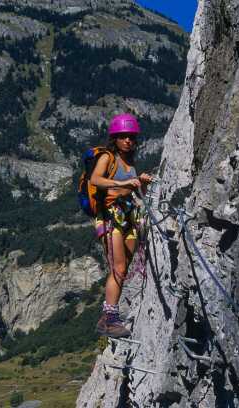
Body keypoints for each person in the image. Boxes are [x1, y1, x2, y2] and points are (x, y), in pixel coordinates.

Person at [91, 113, 153, 338]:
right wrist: (122, 182)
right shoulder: (108, 157)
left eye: (131, 137)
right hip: (110, 217)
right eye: (123, 136)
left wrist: (141, 184)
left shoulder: (130, 162)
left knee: (124, 268)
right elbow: (95, 180)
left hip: (128, 216)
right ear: (115, 138)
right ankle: (110, 319)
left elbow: (136, 193)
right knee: (118, 268)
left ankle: (106, 318)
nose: (128, 140)